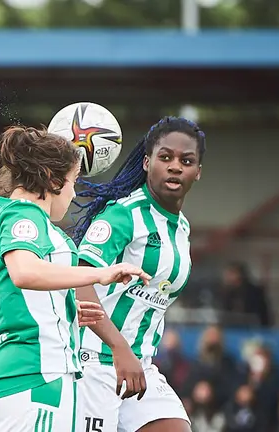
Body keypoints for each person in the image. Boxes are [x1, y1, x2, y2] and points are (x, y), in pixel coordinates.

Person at [0, 126, 151, 432]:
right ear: (53, 180)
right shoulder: (25, 216)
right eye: (73, 182)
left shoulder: (0, 218)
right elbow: (24, 272)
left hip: (15, 380)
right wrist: (101, 273)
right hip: (35, 378)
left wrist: (55, 308)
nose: (74, 193)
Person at [70, 116, 206, 432]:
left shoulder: (181, 228)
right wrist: (119, 347)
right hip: (93, 364)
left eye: (186, 161)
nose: (175, 166)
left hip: (139, 367)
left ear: (197, 172)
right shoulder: (123, 215)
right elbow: (80, 283)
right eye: (165, 157)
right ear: (147, 163)